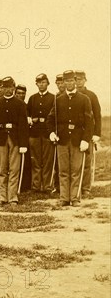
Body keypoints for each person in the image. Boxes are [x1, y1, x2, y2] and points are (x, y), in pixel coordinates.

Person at [47, 70, 94, 206]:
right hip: (61, 140)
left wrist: (86, 139)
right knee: (63, 170)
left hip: (78, 140)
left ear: (75, 81)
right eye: (65, 81)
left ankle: (74, 198)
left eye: (71, 81)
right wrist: (51, 133)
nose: (68, 83)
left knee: (76, 170)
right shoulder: (58, 99)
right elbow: (50, 119)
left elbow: (89, 122)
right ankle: (64, 198)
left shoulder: (84, 99)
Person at [0, 77, 29, 206]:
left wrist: (23, 144)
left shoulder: (20, 104)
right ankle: (2, 197)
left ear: (14, 88)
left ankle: (13, 197)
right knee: (2, 169)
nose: (7, 90)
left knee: (14, 169)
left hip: (15, 139)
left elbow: (23, 125)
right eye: (5, 87)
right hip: (1, 138)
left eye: (10, 87)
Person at [75, 70, 102, 198]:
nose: (78, 82)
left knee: (86, 162)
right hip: (74, 134)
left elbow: (97, 115)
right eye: (76, 79)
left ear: (85, 80)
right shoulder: (70, 95)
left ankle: (85, 188)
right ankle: (75, 187)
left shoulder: (91, 95)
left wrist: (96, 133)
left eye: (81, 79)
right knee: (74, 162)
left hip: (88, 133)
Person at [27, 74, 55, 193]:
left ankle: (47, 186)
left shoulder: (54, 98)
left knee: (48, 160)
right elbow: (27, 113)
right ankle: (36, 186)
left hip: (48, 133)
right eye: (39, 82)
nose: (41, 84)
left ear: (48, 83)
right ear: (36, 84)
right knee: (35, 160)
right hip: (35, 134)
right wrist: (29, 119)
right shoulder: (32, 98)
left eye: (43, 82)